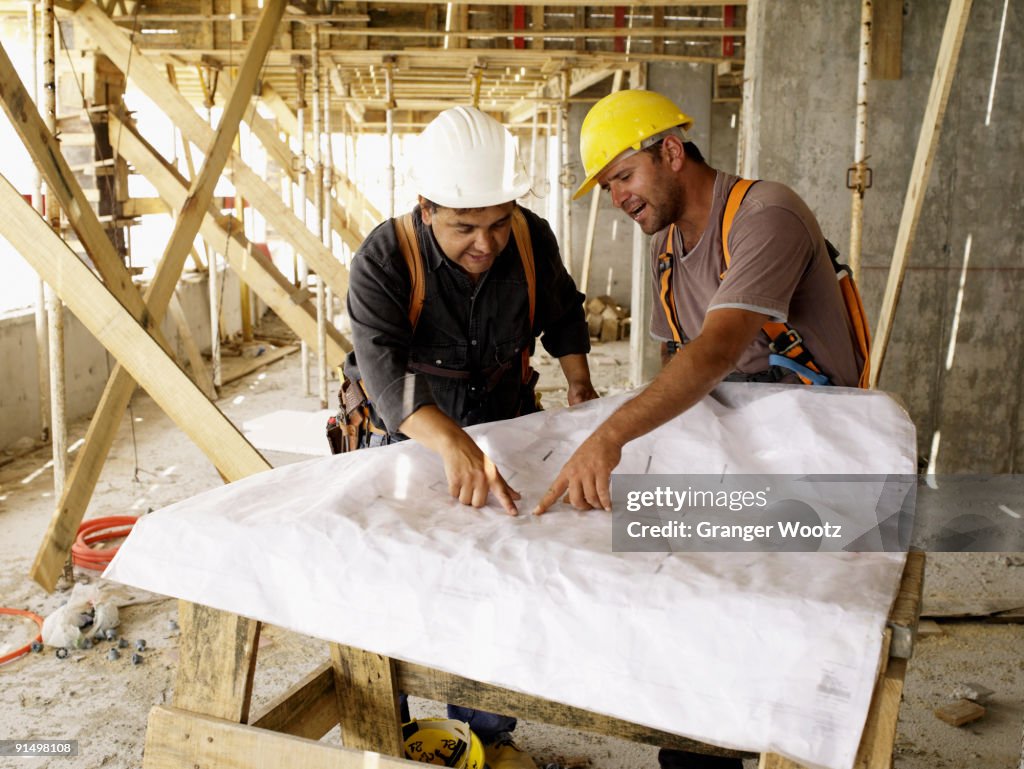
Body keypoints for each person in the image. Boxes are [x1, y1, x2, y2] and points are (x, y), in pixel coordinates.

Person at [531, 88, 866, 769]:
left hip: (818, 458)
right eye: (607, 185)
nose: (618, 197)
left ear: (673, 152)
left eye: (623, 176)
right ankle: (694, 745)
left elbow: (714, 351)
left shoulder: (765, 215)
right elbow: (675, 368)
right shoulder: (666, 251)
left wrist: (612, 435)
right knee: (654, 577)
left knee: (761, 631)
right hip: (740, 452)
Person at [344, 105, 597, 764]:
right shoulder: (385, 255)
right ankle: (384, 725)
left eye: (497, 223)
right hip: (405, 434)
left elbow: (564, 312)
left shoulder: (532, 236)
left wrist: (579, 386)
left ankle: (486, 731)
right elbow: (383, 373)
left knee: (493, 577)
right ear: (427, 208)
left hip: (504, 414)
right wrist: (453, 442)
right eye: (464, 228)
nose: (485, 243)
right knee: (394, 574)